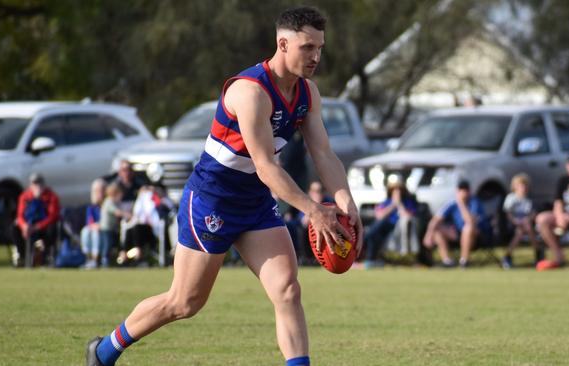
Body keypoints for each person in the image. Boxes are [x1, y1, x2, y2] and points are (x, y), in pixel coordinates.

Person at [86, 7, 363, 366]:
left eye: (320, 48)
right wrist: (313, 211)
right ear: (283, 43)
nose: (316, 57)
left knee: (287, 290)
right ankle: (104, 350)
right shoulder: (251, 92)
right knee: (185, 302)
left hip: (255, 204)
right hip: (211, 202)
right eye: (307, 47)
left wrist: (346, 203)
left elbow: (323, 153)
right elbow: (265, 165)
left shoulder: (308, 93)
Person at [422, 180, 491, 268]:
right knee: (437, 229)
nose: (463, 193)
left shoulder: (474, 202)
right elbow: (436, 219)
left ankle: (464, 261)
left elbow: (470, 221)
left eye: (465, 190)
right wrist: (428, 235)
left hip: (476, 236)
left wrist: (461, 204)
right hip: (457, 234)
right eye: (461, 190)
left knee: (468, 228)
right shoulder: (452, 203)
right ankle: (447, 261)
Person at [363, 174, 418, 269]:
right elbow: (379, 216)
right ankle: (370, 260)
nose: (397, 192)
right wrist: (393, 205)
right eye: (394, 190)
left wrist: (399, 204)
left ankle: (365, 240)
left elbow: (408, 217)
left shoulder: (408, 202)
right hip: (384, 226)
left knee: (373, 232)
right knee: (375, 234)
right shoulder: (386, 202)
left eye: (399, 190)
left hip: (397, 226)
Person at [12, 173, 60, 266]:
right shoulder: (25, 197)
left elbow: (53, 216)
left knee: (52, 229)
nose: (37, 186)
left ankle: (46, 258)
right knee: (14, 229)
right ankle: (23, 256)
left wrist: (38, 227)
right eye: (35, 184)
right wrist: (24, 226)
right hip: (28, 226)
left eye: (39, 183)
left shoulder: (51, 196)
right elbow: (20, 215)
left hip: (43, 226)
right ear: (31, 185)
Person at [501, 173, 541, 269]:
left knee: (526, 226)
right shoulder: (511, 198)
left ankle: (508, 255)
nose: (523, 187)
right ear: (515, 186)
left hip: (526, 225)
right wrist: (515, 221)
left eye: (525, 185)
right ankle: (538, 252)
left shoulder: (529, 200)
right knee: (520, 231)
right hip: (512, 225)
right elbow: (507, 213)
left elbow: (533, 214)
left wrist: (528, 219)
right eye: (520, 185)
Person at [99, 183, 129, 267]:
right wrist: (127, 215)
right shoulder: (109, 202)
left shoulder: (112, 202)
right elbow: (117, 212)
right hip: (106, 228)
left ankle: (111, 260)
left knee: (113, 244)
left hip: (111, 228)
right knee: (107, 244)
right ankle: (104, 260)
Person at [81, 179, 106, 269]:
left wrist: (100, 225)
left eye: (101, 190)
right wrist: (95, 226)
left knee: (96, 233)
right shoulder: (92, 207)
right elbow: (89, 222)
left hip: (105, 231)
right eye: (97, 191)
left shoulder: (107, 205)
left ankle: (96, 259)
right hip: (94, 229)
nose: (99, 193)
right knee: (85, 231)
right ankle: (88, 257)